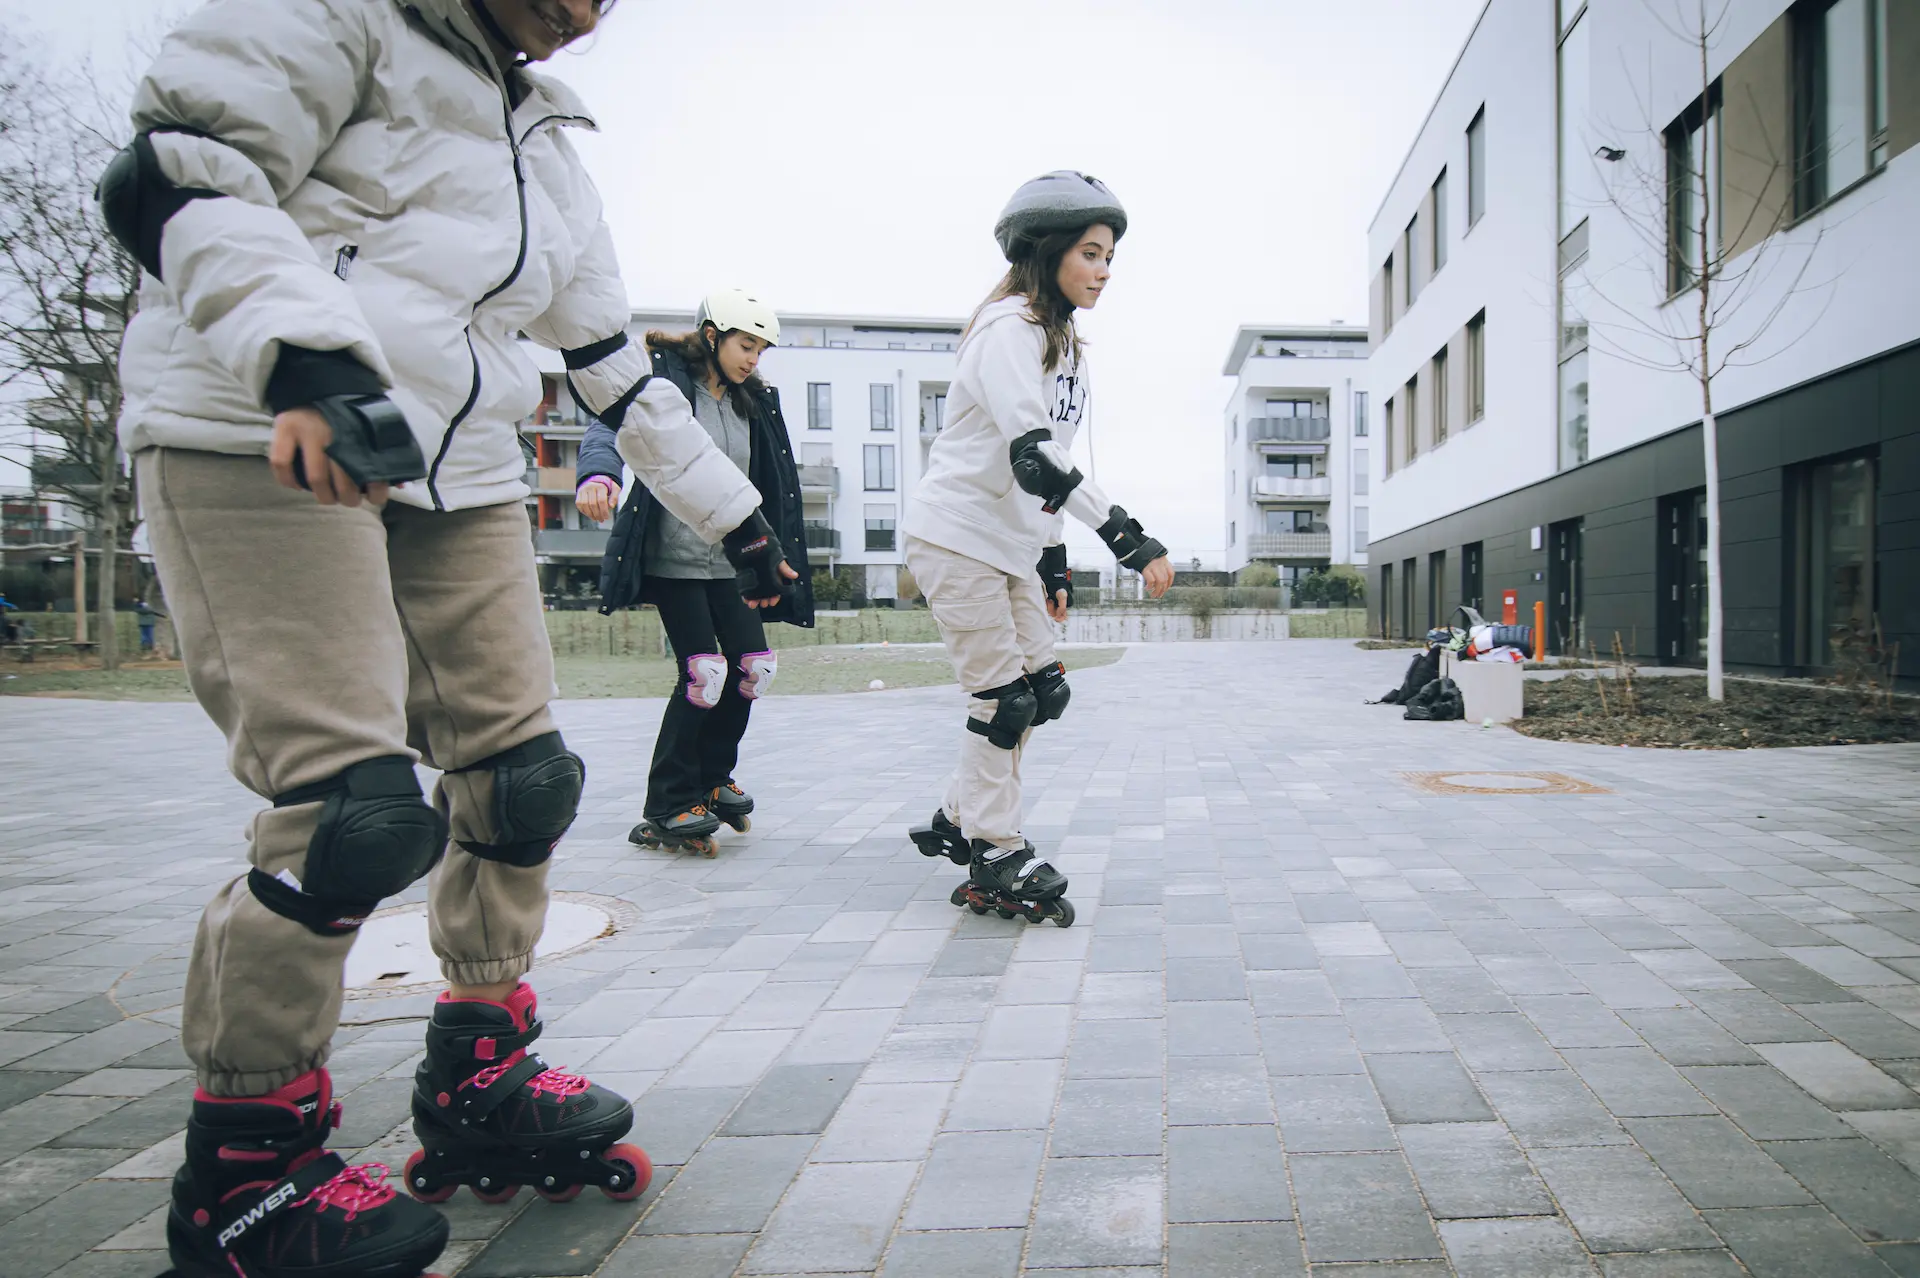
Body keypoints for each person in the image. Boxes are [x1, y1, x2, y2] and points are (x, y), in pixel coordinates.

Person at [100, 2, 796, 1276]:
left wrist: (738, 518)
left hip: (460, 469)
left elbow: (609, 364)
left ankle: (480, 1066)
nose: (588, 10)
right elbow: (175, 174)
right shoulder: (335, 14)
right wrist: (306, 360)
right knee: (351, 815)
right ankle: (247, 1161)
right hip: (260, 422)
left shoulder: (548, 143)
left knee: (522, 781)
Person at [904, 171, 1174, 927]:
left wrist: (1052, 561)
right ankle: (995, 848)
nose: (1105, 270)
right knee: (1003, 700)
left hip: (1011, 545)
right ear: (1046, 250)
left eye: (1110, 256)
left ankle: (960, 816)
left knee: (1042, 690)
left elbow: (1052, 463)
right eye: (1091, 253)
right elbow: (1035, 456)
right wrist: (1125, 537)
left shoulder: (1067, 348)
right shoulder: (1008, 331)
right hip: (957, 534)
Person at [575, 291, 814, 855]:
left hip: (731, 563)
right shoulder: (664, 384)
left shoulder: (754, 402)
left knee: (753, 668)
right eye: (745, 344)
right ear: (712, 335)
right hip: (674, 559)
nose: (753, 358)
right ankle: (667, 801)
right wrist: (599, 473)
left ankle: (711, 778)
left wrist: (772, 555)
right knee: (704, 674)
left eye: (761, 349)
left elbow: (773, 484)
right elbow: (610, 425)